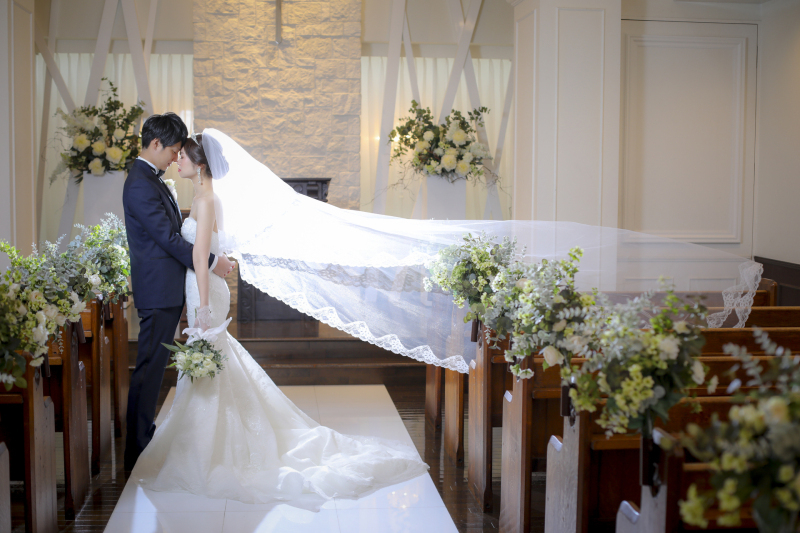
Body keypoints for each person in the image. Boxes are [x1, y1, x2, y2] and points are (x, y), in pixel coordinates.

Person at [130, 132, 429, 505]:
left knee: (210, 358)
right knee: (217, 362)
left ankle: (210, 448)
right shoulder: (201, 197)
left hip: (203, 290)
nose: (178, 160)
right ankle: (208, 440)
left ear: (200, 164)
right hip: (200, 287)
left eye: (184, 156)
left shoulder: (206, 200)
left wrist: (202, 306)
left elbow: (199, 256)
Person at [122, 114, 235, 472]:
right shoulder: (141, 183)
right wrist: (213, 259)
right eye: (172, 150)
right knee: (149, 368)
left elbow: (177, 236)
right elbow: (169, 240)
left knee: (154, 368)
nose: (175, 158)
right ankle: (137, 448)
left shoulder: (151, 180)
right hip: (158, 290)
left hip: (169, 287)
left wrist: (209, 258)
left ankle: (144, 439)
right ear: (155, 144)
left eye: (180, 153)